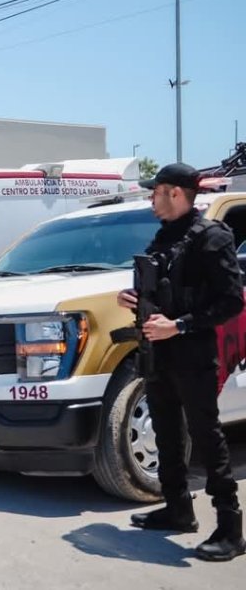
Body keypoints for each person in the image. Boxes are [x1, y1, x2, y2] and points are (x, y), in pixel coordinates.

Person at [118, 163, 245, 562]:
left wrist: (179, 326)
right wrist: (132, 298)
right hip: (158, 353)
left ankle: (231, 528)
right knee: (167, 434)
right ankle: (178, 510)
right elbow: (163, 289)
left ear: (174, 192)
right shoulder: (164, 236)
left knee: (206, 436)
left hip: (192, 354)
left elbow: (231, 301)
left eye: (155, 192)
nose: (151, 200)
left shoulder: (211, 237)